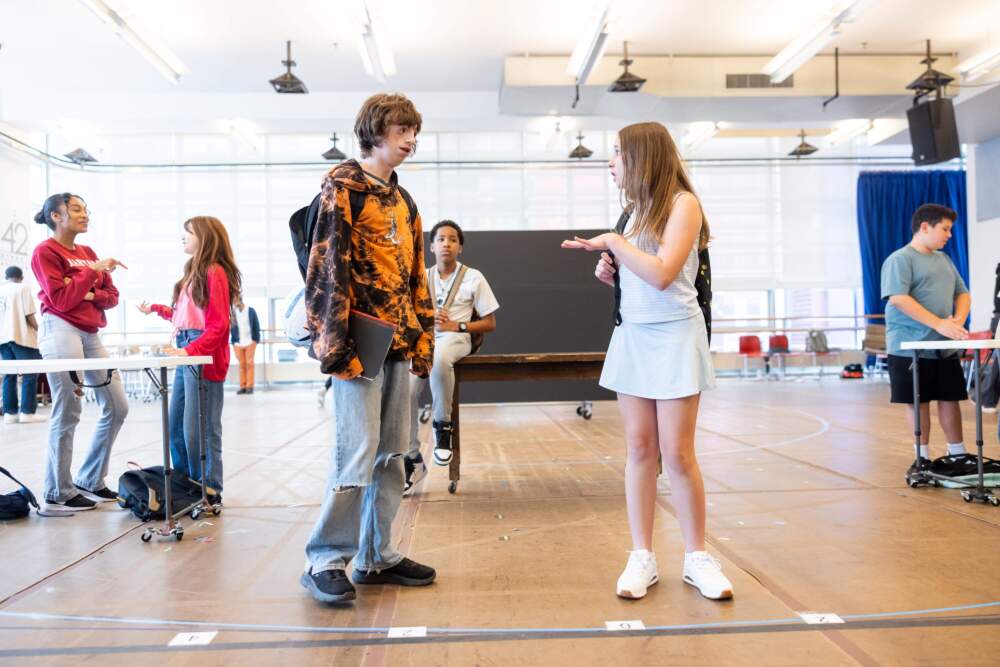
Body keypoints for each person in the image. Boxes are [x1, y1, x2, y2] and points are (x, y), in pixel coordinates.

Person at [562, 122, 733, 601]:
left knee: (676, 453)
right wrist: (611, 272)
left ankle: (697, 557)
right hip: (633, 336)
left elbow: (662, 275)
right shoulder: (631, 214)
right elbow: (640, 274)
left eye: (617, 152)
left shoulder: (683, 204)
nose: (611, 161)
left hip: (676, 337)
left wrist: (615, 247)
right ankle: (643, 556)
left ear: (642, 156)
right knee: (640, 448)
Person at [300, 92, 436, 604]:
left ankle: (376, 557)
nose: (411, 139)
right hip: (356, 346)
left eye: (414, 130)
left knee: (392, 456)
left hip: (398, 344)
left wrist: (423, 337)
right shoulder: (342, 190)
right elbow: (325, 271)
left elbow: (416, 278)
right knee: (354, 455)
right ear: (375, 130)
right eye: (402, 129)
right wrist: (334, 348)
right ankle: (325, 559)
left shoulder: (404, 201)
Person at [31, 193, 128, 511]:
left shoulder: (87, 252)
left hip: (90, 332)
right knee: (68, 408)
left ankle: (90, 478)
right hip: (60, 329)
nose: (85, 214)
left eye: (86, 209)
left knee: (117, 406)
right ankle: (58, 490)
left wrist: (85, 290)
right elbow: (59, 300)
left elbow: (112, 296)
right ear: (56, 216)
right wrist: (92, 275)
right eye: (76, 209)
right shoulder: (45, 252)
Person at [138, 216, 242, 502]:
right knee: (177, 427)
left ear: (205, 237)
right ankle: (187, 486)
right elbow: (185, 317)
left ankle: (209, 489)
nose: (182, 237)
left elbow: (219, 325)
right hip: (189, 349)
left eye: (188, 232)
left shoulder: (214, 272)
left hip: (202, 354)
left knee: (201, 430)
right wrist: (157, 309)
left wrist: (190, 350)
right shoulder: (192, 272)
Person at [406, 220, 498, 490]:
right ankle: (412, 458)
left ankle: (443, 428)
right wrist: (427, 316)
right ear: (432, 246)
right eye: (441, 239)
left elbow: (490, 323)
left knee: (441, 358)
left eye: (452, 239)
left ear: (460, 247)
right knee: (407, 390)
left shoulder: (474, 277)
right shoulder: (422, 277)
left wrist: (455, 325)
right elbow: (410, 317)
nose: (446, 243)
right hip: (427, 339)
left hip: (457, 338)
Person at [881, 203, 970, 471]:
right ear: (924, 227)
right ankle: (922, 457)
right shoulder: (900, 259)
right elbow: (898, 298)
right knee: (917, 400)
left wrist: (957, 320)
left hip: (943, 346)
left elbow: (962, 292)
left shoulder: (944, 260)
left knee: (950, 397)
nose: (949, 235)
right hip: (909, 347)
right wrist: (938, 324)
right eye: (945, 229)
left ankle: (958, 453)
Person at [0, 265, 46, 424]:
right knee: (30, 374)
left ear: (6, 277)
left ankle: (10, 414)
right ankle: (27, 412)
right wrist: (40, 330)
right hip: (21, 336)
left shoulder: (1, 290)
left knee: (9, 375)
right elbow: (29, 315)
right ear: (21, 277)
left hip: (3, 339)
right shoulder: (23, 289)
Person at [230, 298, 260, 395]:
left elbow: (256, 325)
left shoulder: (250, 311)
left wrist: (256, 340)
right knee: (242, 365)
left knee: (249, 364)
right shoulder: (234, 313)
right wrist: (234, 341)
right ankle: (243, 386)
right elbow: (232, 327)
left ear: (240, 301)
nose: (234, 304)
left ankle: (249, 387)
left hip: (250, 342)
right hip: (238, 343)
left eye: (235, 302)